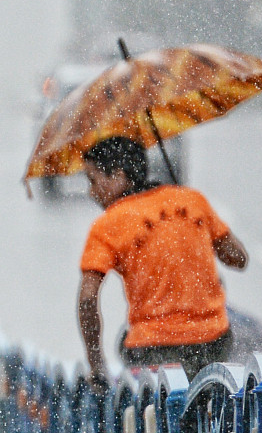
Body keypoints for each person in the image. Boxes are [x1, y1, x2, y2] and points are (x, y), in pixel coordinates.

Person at [76, 134, 249, 381]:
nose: (91, 192)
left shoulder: (107, 224)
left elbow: (87, 299)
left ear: (119, 177)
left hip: (153, 350)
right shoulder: (192, 200)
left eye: (93, 181)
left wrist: (96, 364)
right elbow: (238, 258)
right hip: (212, 343)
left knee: (124, 344)